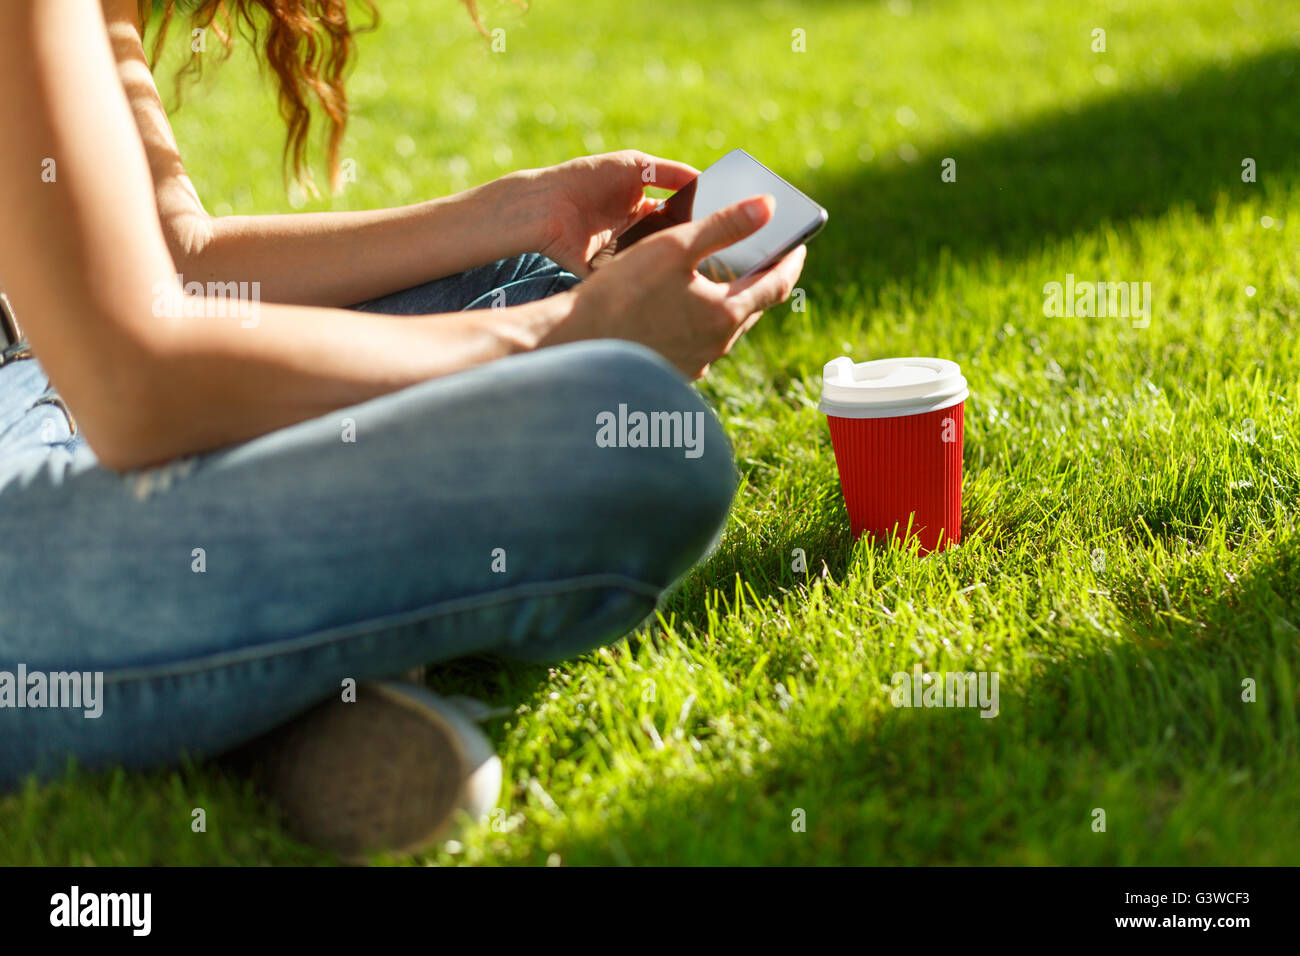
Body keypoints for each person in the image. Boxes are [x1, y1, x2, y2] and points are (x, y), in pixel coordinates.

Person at [0, 0, 806, 857]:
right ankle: (268, 684)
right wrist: (563, 334)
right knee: (631, 435)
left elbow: (178, 259)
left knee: (525, 277)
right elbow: (136, 386)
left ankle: (240, 681)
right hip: (57, 449)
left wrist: (515, 213)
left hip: (50, 367)